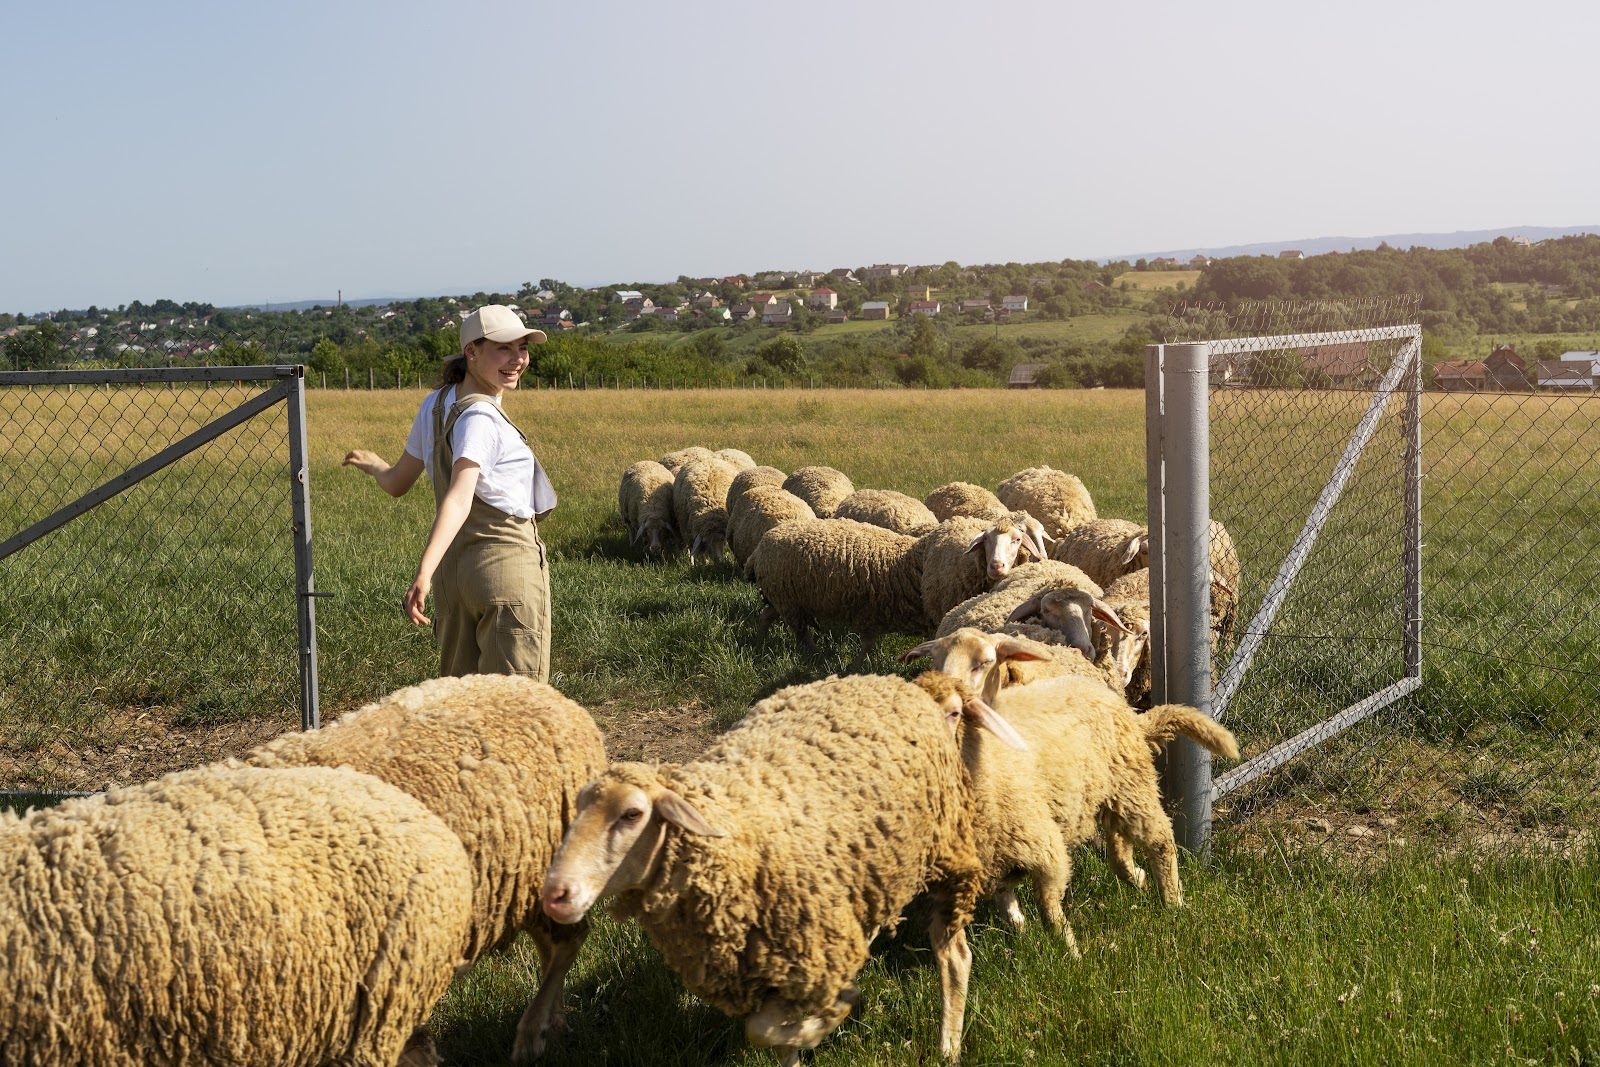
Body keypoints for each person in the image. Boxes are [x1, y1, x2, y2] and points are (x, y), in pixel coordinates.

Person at [342, 305, 557, 680]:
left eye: (523, 347)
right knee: (516, 712)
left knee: (461, 708)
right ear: (471, 352)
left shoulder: (436, 404)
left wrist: (376, 465)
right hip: (503, 569)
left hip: (454, 582)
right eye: (504, 348)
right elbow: (459, 496)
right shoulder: (481, 419)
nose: (518, 359)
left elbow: (397, 484)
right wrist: (422, 571)